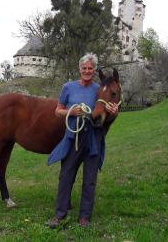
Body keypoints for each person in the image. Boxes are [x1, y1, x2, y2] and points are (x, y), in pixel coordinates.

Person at [47, 53, 118, 228]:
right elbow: (58, 110)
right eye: (84, 68)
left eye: (90, 68)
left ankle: (84, 217)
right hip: (74, 138)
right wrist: (72, 111)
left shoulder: (99, 89)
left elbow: (105, 111)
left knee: (90, 179)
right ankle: (60, 214)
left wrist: (114, 112)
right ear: (80, 69)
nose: (87, 71)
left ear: (94, 70)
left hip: (93, 138)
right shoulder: (68, 87)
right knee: (66, 176)